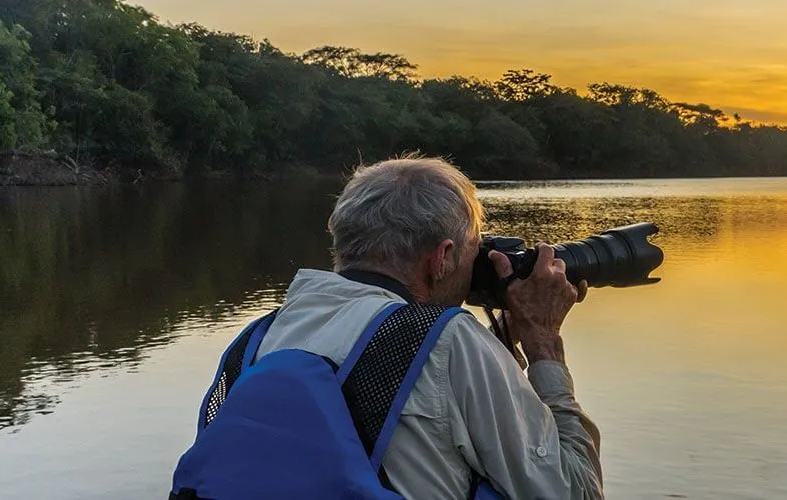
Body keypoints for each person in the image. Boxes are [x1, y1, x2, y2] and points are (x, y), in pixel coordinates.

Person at [254, 155, 602, 498]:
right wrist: (543, 342)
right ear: (443, 257)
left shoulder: (264, 336)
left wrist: (500, 346)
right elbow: (574, 492)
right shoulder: (450, 341)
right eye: (473, 253)